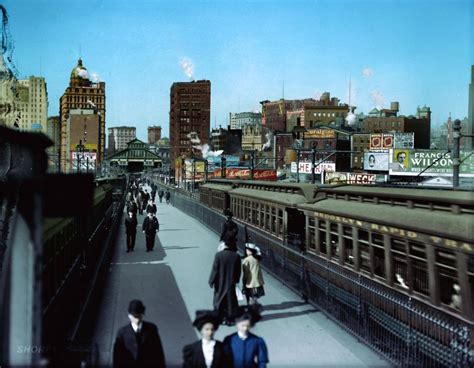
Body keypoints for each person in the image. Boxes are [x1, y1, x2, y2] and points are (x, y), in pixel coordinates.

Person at [113, 300, 166, 368]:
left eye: (139, 316)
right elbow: (117, 358)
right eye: (135, 316)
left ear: (142, 314)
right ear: (129, 315)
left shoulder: (151, 329)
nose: (137, 319)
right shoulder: (122, 333)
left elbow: (158, 352)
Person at [209, 242, 241, 325]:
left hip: (220, 282)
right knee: (230, 300)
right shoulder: (236, 256)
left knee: (219, 299)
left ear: (224, 246)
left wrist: (211, 281)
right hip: (231, 282)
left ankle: (220, 318)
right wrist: (236, 280)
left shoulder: (218, 255)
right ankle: (230, 320)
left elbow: (215, 270)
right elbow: (238, 271)